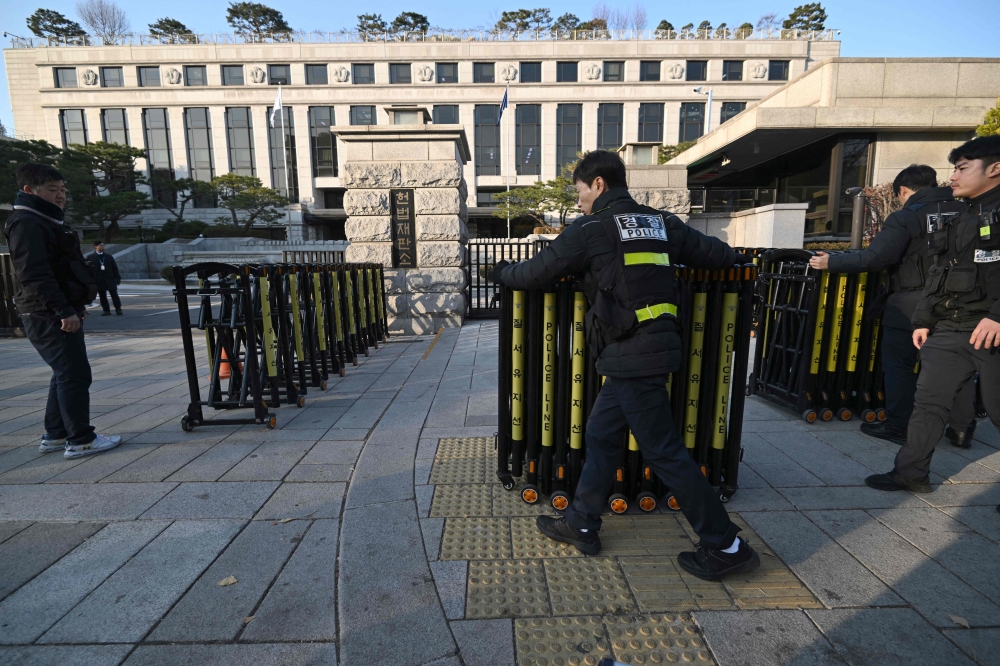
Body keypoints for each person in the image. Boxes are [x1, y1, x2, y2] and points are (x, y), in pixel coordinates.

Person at [494, 151, 759, 581]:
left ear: (598, 184)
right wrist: (739, 260)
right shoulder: (658, 222)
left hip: (632, 352)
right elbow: (709, 252)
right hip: (645, 349)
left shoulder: (592, 228)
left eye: (579, 192)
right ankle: (581, 521)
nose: (578, 201)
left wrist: (503, 272)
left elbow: (537, 272)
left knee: (665, 452)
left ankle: (726, 544)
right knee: (601, 433)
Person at [866, 136, 1000, 493]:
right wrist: (924, 319)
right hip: (952, 327)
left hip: (993, 329)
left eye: (961, 168)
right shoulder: (962, 215)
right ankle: (910, 473)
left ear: (995, 168)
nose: (952, 177)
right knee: (927, 404)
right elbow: (939, 274)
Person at [809, 166, 977, 447]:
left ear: (903, 190)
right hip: (961, 301)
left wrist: (831, 262)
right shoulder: (969, 211)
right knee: (955, 366)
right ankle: (962, 429)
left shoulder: (907, 216)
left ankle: (900, 426)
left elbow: (875, 258)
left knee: (899, 364)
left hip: (912, 301)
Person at [3, 164, 123, 459]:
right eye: (52, 190)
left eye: (62, 189)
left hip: (50, 310)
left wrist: (73, 306)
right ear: (29, 191)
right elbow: (35, 274)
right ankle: (81, 439)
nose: (60, 196)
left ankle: (56, 435)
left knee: (64, 373)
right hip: (45, 312)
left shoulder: (42, 220)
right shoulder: (28, 222)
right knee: (74, 375)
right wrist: (63, 310)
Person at [86, 241, 123, 316]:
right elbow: (88, 270)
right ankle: (106, 310)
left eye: (103, 245)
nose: (103, 247)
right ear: (96, 246)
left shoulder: (109, 256)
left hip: (110, 278)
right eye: (101, 245)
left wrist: (117, 277)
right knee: (102, 295)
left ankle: (118, 308)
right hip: (98, 279)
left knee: (114, 294)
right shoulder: (90, 257)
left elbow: (114, 268)